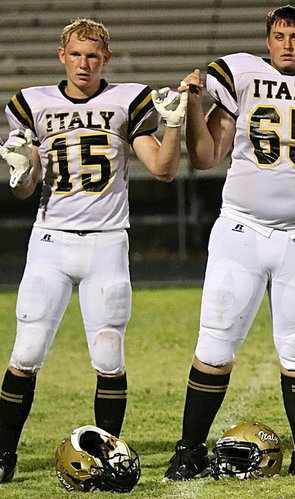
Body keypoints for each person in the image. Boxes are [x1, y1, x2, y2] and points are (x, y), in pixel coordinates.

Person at [163, 5, 295, 480]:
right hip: (242, 229)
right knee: (216, 342)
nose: (287, 44)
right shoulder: (238, 75)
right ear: (267, 40)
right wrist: (194, 106)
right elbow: (204, 157)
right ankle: (189, 449)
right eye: (279, 36)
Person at [0, 18, 185, 482]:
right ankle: (4, 454)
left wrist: (176, 126)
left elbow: (162, 169)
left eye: (93, 55)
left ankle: (105, 457)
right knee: (26, 353)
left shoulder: (125, 101)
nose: (84, 64)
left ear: (106, 59)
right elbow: (25, 190)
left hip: (107, 243)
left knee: (108, 356)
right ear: (61, 56)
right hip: (50, 242)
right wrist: (21, 174)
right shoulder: (32, 104)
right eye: (76, 54)